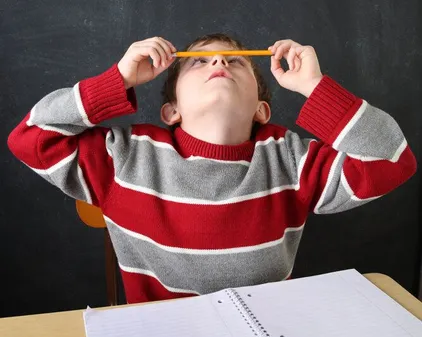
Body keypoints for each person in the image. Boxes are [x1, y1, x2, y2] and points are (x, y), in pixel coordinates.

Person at [7, 33, 417, 304]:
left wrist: (316, 87)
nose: (219, 60)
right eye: (198, 62)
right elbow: (30, 138)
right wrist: (115, 80)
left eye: (236, 62)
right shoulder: (126, 156)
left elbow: (393, 160)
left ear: (261, 109)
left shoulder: (291, 158)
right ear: (172, 110)